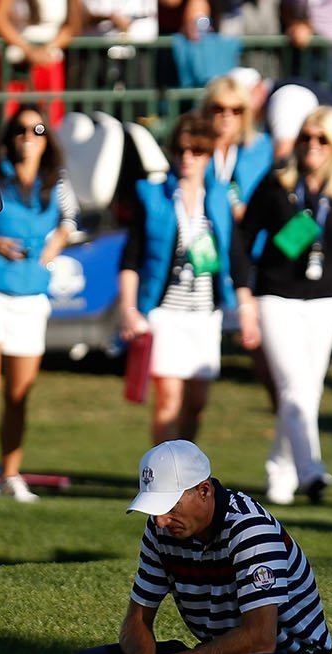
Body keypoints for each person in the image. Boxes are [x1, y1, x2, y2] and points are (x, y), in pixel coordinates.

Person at [67, 439, 332, 654]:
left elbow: (259, 639)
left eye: (169, 506)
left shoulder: (250, 528)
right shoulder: (162, 531)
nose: (160, 521)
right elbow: (136, 621)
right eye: (155, 508)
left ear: (204, 490)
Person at [231, 106, 332, 507]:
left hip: (325, 300)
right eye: (306, 137)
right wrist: (243, 293)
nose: (313, 146)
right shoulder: (276, 182)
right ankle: (311, 471)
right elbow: (243, 236)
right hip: (276, 295)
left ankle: (280, 471)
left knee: (307, 390)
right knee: (293, 385)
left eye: (322, 139)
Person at [0, 105, 77, 501]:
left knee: (19, 393)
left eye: (38, 129)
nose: (29, 135)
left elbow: (70, 222)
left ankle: (11, 473)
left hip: (30, 296)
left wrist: (56, 244)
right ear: (10, 137)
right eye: (21, 129)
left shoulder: (55, 182)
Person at [119, 113, 225, 446]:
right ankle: (165, 481)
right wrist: (129, 308)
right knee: (168, 401)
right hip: (166, 311)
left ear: (208, 155)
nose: (187, 158)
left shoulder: (218, 199)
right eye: (181, 150)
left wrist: (243, 301)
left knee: (197, 404)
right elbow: (131, 257)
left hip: (205, 312)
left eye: (196, 151)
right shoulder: (154, 197)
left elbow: (233, 253)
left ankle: (187, 473)